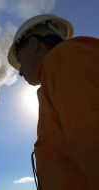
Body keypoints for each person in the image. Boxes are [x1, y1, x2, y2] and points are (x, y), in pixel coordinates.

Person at [7, 14, 99, 190]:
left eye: (19, 60)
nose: (19, 72)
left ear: (34, 44)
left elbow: (92, 137)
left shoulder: (66, 59)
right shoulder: (57, 74)